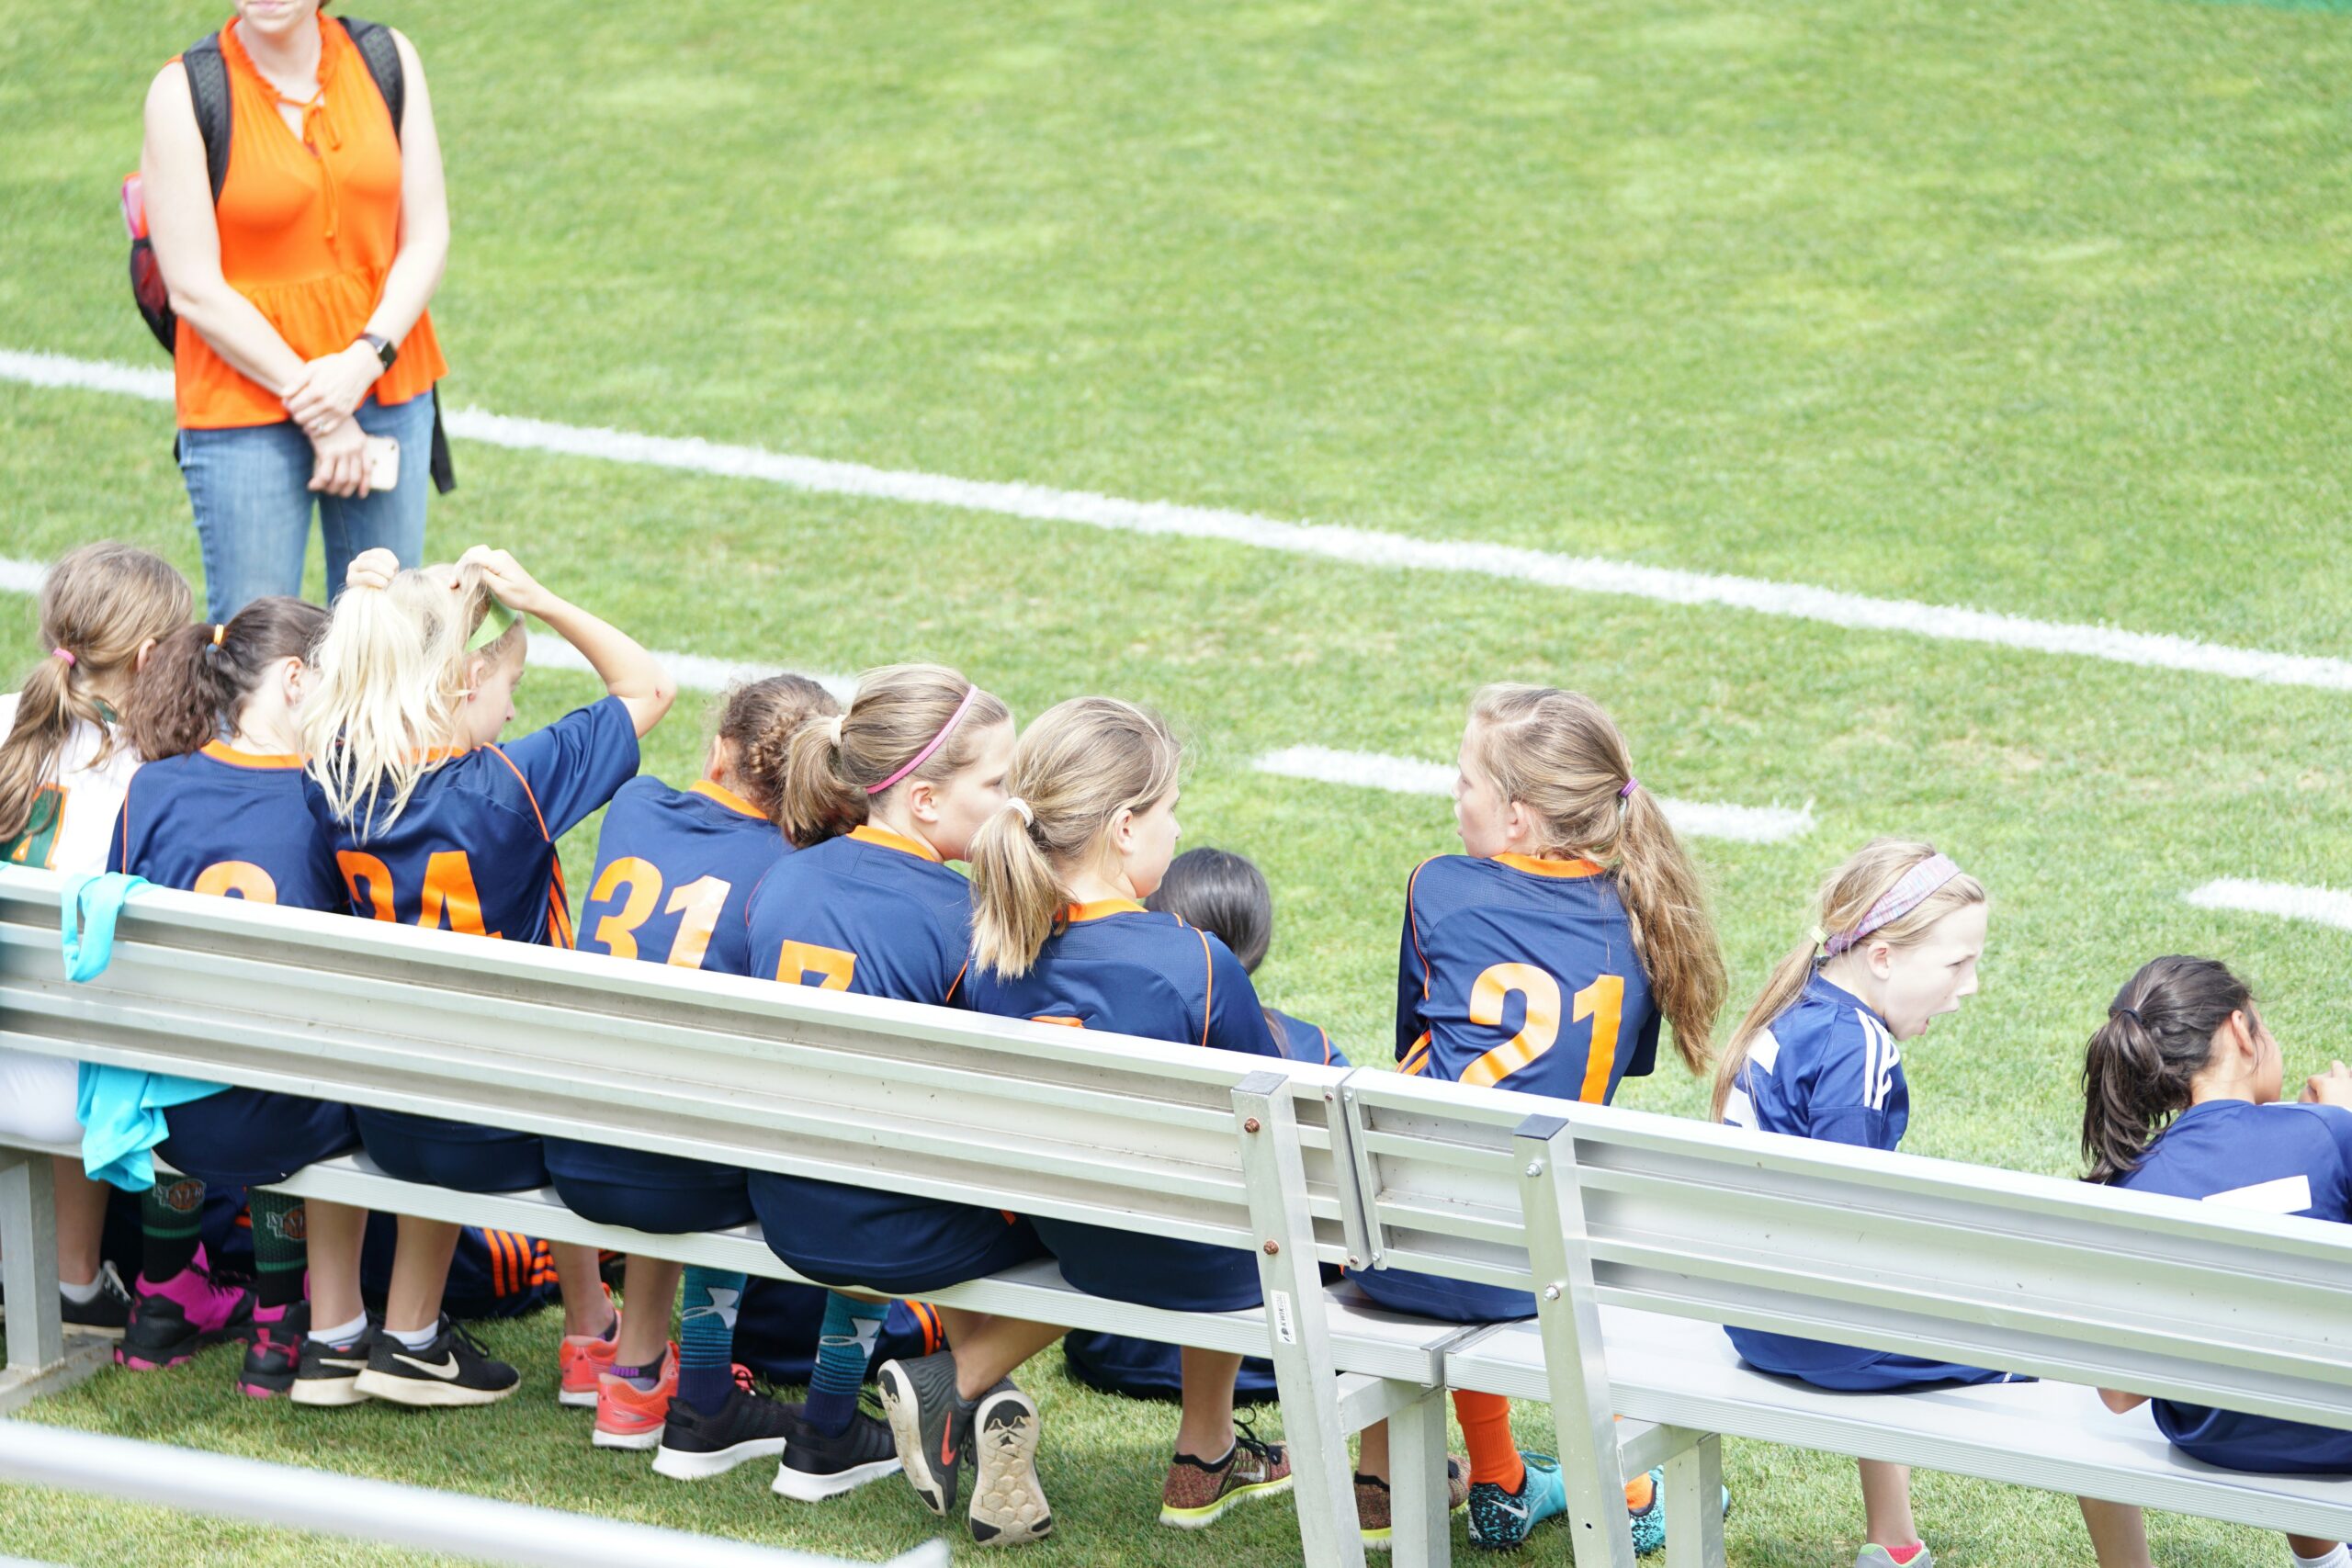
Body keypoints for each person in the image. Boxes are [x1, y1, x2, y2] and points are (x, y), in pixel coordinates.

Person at [883, 696, 1295, 1547]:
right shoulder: (1198, 962)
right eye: (1171, 810)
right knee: (1246, 1207)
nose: (1179, 832)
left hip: (1075, 1235)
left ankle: (1204, 1451)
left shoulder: (995, 956)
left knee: (1186, 1201)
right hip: (1192, 1262)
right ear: (1124, 827)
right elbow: (1275, 1138)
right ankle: (1215, 1450)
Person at [1351, 683, 1725, 1551]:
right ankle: (1631, 1492)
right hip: (1537, 1269)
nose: (1455, 798)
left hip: (1396, 1251)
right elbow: (1590, 1086)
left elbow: (1418, 1044)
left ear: (1517, 817)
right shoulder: (1641, 923)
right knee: (1557, 1205)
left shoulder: (1439, 886)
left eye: (1465, 784)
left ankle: (1497, 1474)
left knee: (1458, 1171)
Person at [300, 547, 673, 1406]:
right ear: (461, 686)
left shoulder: (335, 775)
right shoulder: (507, 785)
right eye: (506, 691)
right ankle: (583, 1330)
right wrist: (536, 601)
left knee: (454, 1048)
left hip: (387, 1107)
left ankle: (483, 1326)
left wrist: (389, 599)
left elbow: (363, 670)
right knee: (562, 1064)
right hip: (503, 1122)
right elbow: (647, 687)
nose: (512, 714)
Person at [1061, 847, 1472, 1548]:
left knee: (1226, 1216)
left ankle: (1204, 1454)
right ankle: (1383, 1480)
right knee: (1378, 1232)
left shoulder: (1112, 1029)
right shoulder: (1306, 1046)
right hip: (1257, 1281)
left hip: (1128, 1291)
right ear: (1257, 940)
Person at [735, 665, 1027, 1516]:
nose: (1015, 804)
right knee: (1087, 1228)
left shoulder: (783, 876)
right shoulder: (967, 913)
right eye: (997, 783)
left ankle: (922, 1422)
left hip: (785, 1206)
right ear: (926, 801)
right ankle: (960, 1390)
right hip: (889, 1232)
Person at [543, 672, 838, 1469]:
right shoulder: (794, 871)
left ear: (719, 751)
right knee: (696, 1112)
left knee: (640, 1085)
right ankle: (642, 1371)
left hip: (569, 1146)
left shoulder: (637, 807)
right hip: (681, 1169)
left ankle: (603, 1346)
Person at [106, 597, 376, 1403]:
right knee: (297, 1065)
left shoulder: (155, 784)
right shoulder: (329, 797)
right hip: (280, 1110)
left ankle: (160, 1297)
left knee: (214, 1055)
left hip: (169, 1109)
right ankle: (278, 1318)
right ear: (295, 680)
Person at [1713, 839, 2007, 1568]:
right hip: (1821, 1336)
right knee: (2036, 1336)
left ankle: (1896, 1540)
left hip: (1753, 1321)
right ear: (1881, 956)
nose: (1969, 986)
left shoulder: (1794, 1015)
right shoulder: (1861, 1051)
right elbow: (1854, 1232)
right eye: (1957, 963)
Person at [141, 0, 451, 620]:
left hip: (385, 384)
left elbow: (428, 236)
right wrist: (323, 406)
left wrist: (363, 362)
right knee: (256, 650)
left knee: (386, 636)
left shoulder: (388, 58)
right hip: (244, 406)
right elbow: (193, 287)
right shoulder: (183, 92)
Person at [2074, 957, 2352, 1568]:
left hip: (2216, 1435)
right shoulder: (2327, 1135)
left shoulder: (2134, 1182)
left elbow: (2119, 1395)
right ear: (2240, 1029)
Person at [0, 543, 191, 1342]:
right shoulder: (165, 772)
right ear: (151, 658)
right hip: (89, 1105)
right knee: (106, 1019)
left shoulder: (7, 711)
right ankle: (75, 1280)